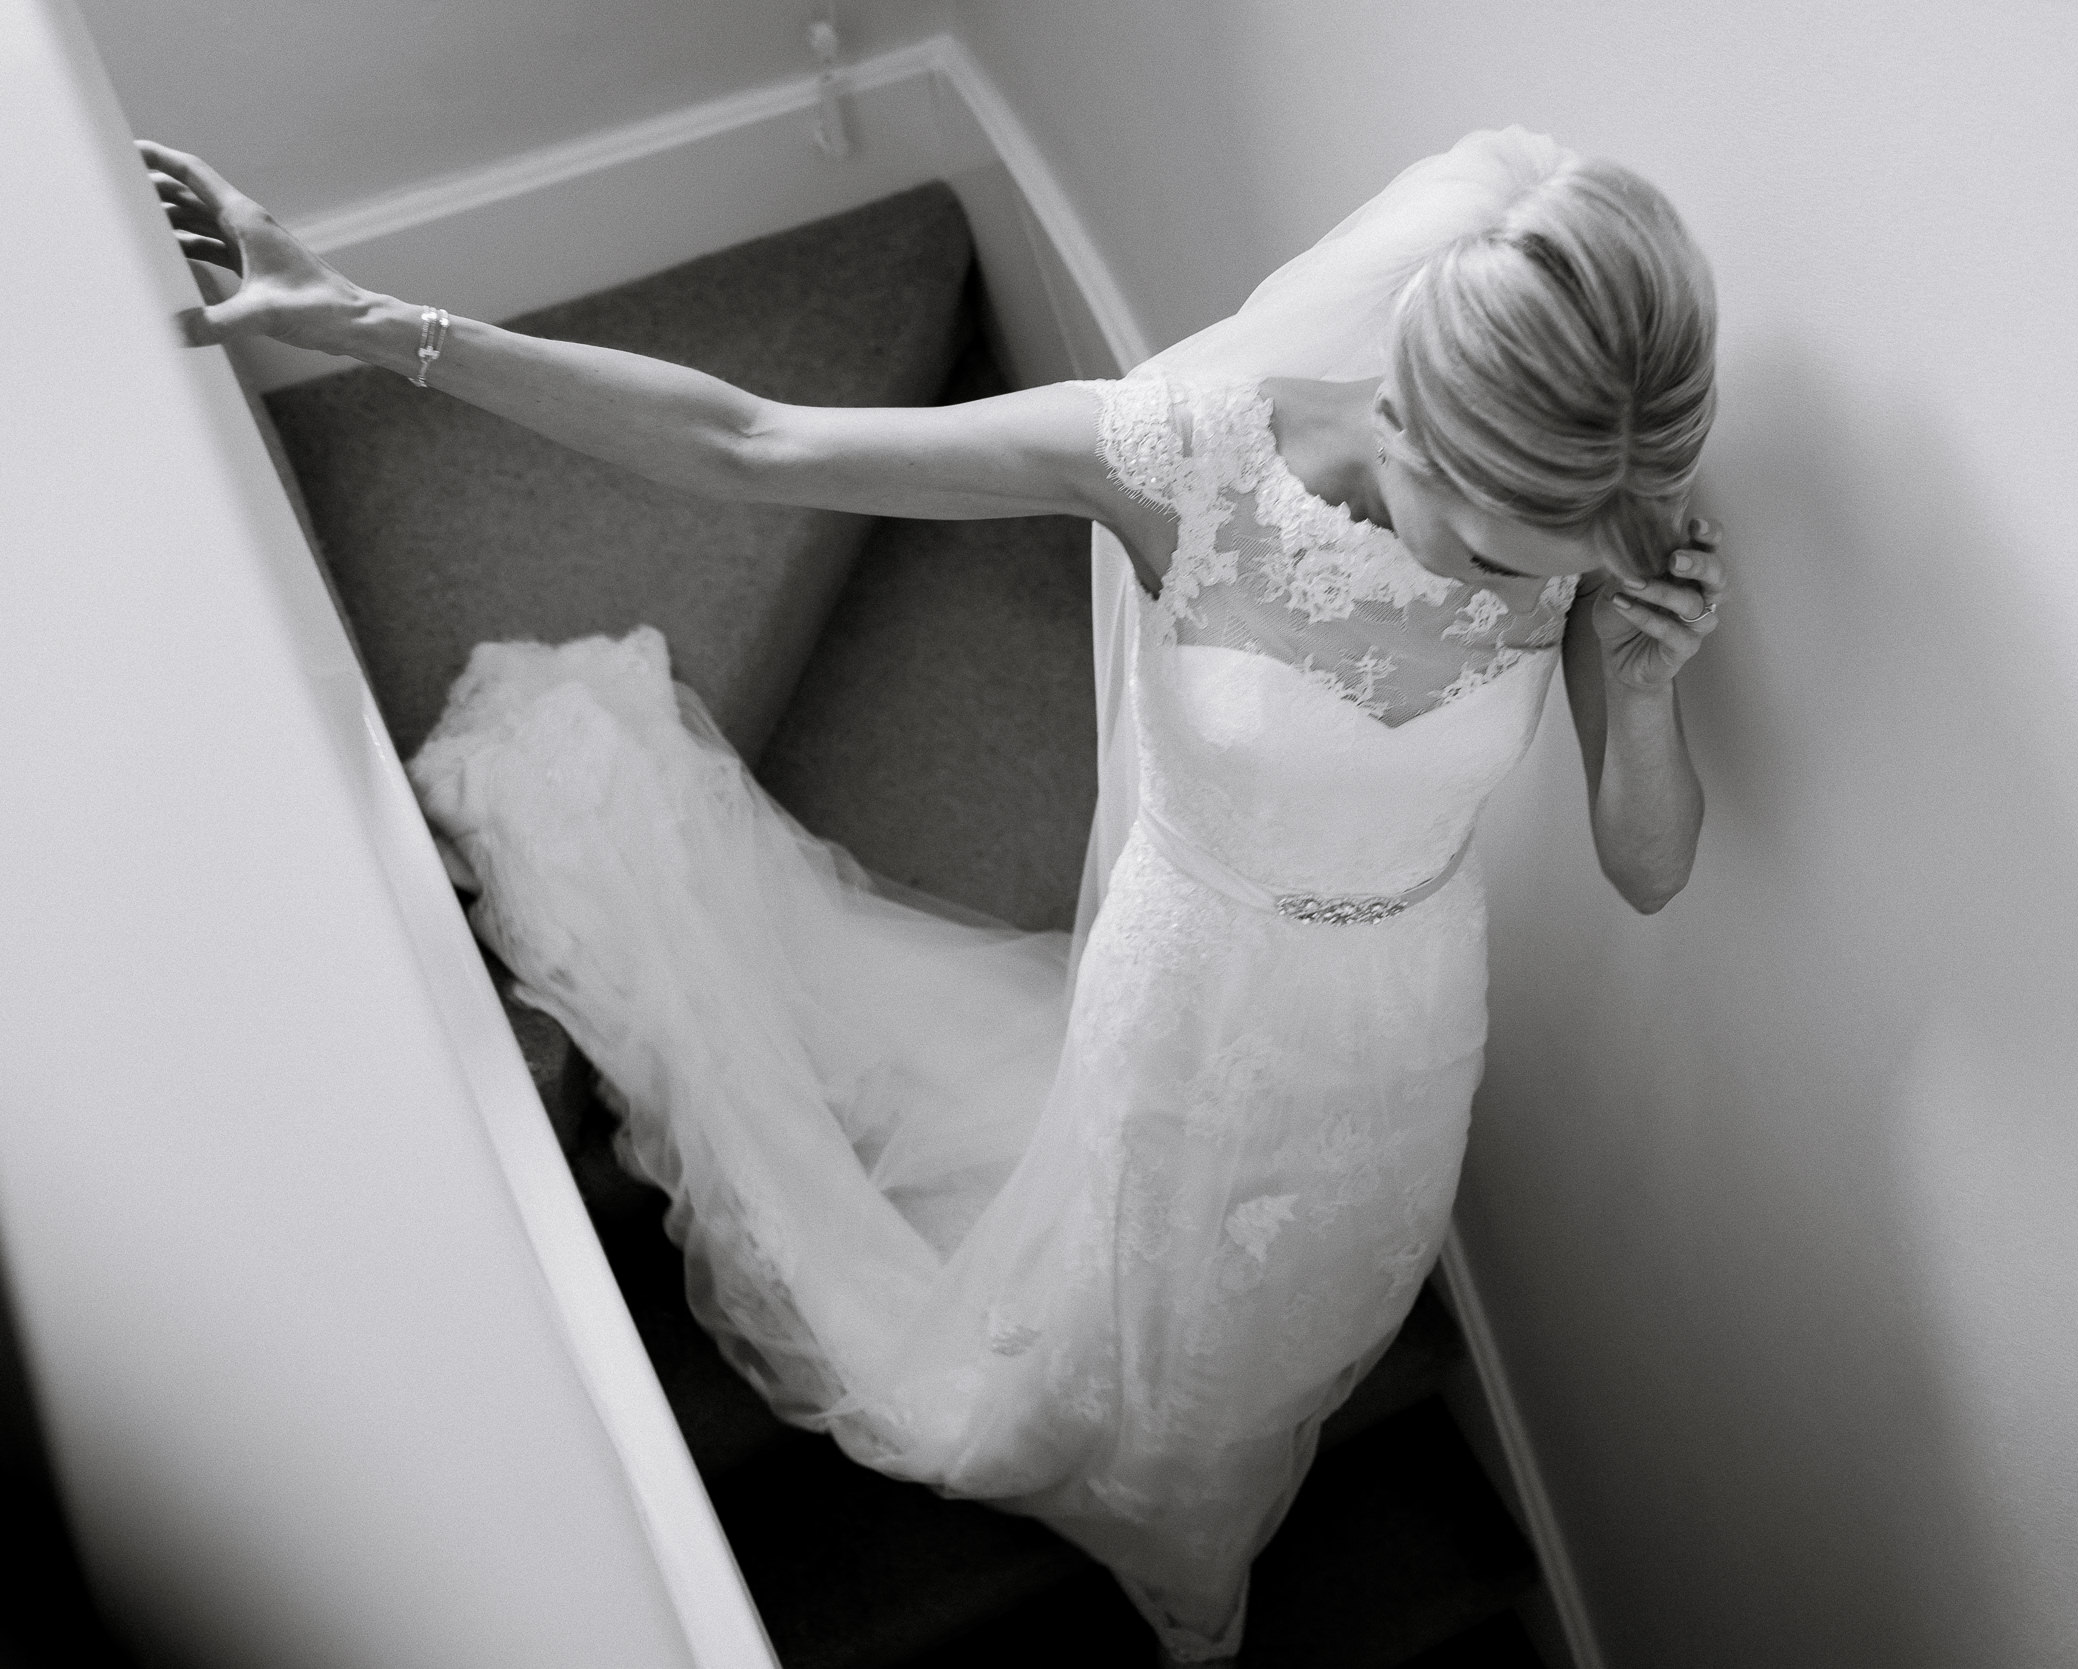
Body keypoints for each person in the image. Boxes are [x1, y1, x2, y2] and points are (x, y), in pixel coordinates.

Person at [141, 126, 1723, 1663]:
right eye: (1486, 532)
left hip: (1411, 1020)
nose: (1505, 577)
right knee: (1158, 1309)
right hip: (1196, 1000)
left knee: (1296, 1316)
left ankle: (1210, 1507)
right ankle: (1183, 1565)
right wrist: (360, 316)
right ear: (1414, 412)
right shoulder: (1186, 456)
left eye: (1548, 549)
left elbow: (1648, 872)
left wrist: (1642, 691)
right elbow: (749, 443)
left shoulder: (1595, 506)